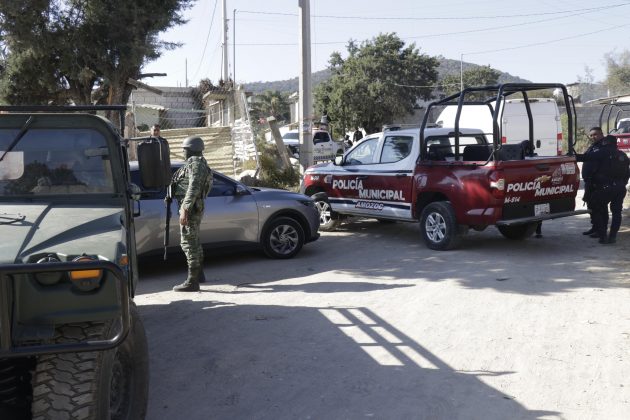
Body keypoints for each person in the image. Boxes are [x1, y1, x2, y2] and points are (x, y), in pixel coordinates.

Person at [169, 136, 213, 291]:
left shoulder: (195, 162)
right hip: (193, 207)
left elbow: (194, 185)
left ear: (191, 149)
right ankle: (199, 274)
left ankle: (192, 281)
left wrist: (185, 208)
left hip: (191, 208)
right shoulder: (196, 163)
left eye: (184, 149)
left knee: (188, 242)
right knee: (194, 241)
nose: (183, 152)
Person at [575, 127, 626, 244]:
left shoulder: (603, 152)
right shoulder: (623, 155)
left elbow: (586, 157)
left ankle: (603, 236)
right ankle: (612, 236)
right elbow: (627, 174)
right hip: (619, 187)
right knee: (617, 212)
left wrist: (572, 156)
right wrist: (621, 184)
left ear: (605, 142)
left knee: (596, 208)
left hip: (605, 187)